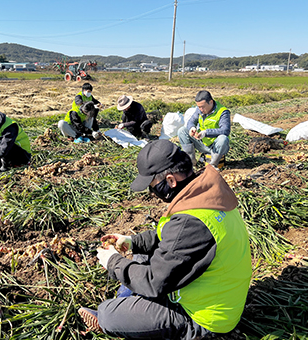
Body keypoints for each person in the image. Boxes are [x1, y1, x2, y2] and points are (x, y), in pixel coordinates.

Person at [78, 139, 252, 340]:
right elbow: (169, 237)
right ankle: (127, 305)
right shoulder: (204, 193)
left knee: (108, 315)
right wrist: (132, 241)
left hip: (204, 318)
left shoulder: (191, 222)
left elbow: (154, 281)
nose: (151, 193)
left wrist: (113, 262)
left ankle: (120, 311)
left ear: (170, 180)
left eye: (152, 186)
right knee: (141, 257)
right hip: (211, 292)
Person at [177, 90, 230, 169]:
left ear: (211, 102)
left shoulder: (222, 112)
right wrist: (192, 128)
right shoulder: (200, 110)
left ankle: (213, 165)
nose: (201, 109)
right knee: (182, 131)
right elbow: (191, 121)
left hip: (217, 147)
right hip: (203, 144)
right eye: (199, 107)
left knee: (223, 138)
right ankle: (191, 162)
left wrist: (206, 133)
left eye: (203, 106)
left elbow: (225, 130)